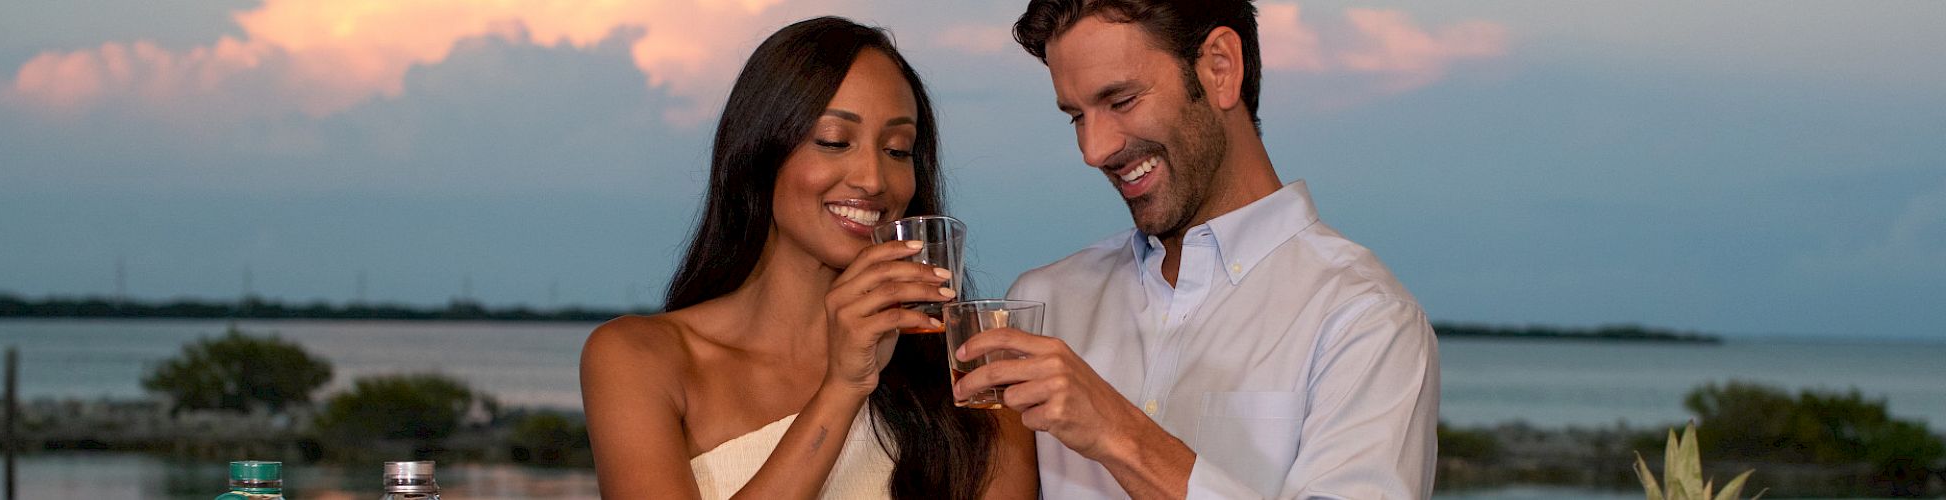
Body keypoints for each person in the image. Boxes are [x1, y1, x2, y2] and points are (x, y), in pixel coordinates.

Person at [950, 1, 1440, 498]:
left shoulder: (1367, 319)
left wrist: (1119, 434)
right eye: (1077, 116)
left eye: (1121, 101)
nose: (1093, 150)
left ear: (1220, 69)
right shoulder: (1043, 301)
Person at [579, 16, 1037, 500]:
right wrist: (842, 389)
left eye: (898, 150)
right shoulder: (639, 359)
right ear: (760, 150)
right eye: (836, 141)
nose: (873, 179)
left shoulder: (971, 377)